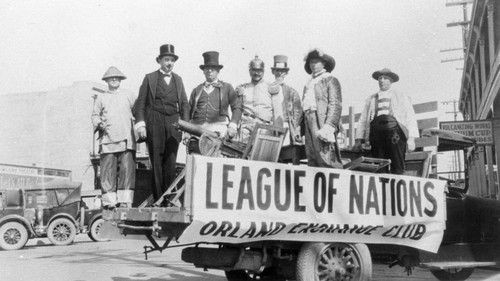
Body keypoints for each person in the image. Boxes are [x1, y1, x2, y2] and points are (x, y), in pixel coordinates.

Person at [134, 44, 190, 201]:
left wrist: (185, 127)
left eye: (172, 60)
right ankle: (159, 200)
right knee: (156, 162)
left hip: (174, 123)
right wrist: (141, 124)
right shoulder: (150, 78)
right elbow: (140, 103)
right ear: (159, 61)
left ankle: (169, 200)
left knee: (171, 162)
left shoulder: (178, 80)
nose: (169, 63)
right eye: (166, 60)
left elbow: (185, 104)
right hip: (155, 121)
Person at [352, 68, 418, 174]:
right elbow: (363, 119)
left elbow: (410, 116)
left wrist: (411, 139)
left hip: (395, 135)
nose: (382, 80)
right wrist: (358, 140)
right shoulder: (371, 99)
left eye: (385, 78)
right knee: (379, 165)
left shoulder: (401, 96)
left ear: (391, 81)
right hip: (377, 136)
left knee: (397, 164)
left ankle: (398, 187)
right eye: (380, 78)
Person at [91, 66, 136, 210]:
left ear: (121, 80)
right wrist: (98, 123)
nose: (114, 80)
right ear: (107, 80)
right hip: (108, 140)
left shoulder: (129, 95)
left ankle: (125, 201)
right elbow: (94, 115)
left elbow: (139, 112)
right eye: (111, 78)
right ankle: (110, 202)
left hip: (126, 139)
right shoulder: (101, 97)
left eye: (117, 77)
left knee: (126, 171)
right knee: (107, 173)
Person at [185, 51, 242, 154]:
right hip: (197, 133)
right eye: (207, 68)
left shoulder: (227, 88)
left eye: (213, 68)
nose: (210, 71)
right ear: (203, 71)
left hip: (218, 133)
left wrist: (233, 125)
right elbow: (188, 113)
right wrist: (186, 131)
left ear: (218, 71)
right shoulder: (196, 90)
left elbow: (237, 107)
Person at [302, 49, 343, 168]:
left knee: (325, 155)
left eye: (316, 62)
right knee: (311, 155)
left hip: (321, 120)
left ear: (323, 64)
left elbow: (335, 104)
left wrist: (329, 125)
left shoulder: (330, 79)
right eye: (311, 62)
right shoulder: (309, 83)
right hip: (308, 118)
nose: (313, 65)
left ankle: (330, 184)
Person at [235, 56, 281, 142]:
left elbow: (277, 112)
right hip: (246, 128)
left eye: (259, 70)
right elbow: (237, 109)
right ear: (249, 71)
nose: (256, 73)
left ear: (263, 71)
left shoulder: (271, 88)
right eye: (254, 70)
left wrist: (278, 132)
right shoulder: (243, 88)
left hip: (264, 129)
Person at [268, 55, 303, 146]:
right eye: (277, 70)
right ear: (273, 71)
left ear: (286, 72)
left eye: (282, 71)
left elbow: (297, 114)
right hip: (270, 125)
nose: (279, 73)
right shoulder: (267, 89)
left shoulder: (292, 92)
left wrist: (295, 130)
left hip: (285, 126)